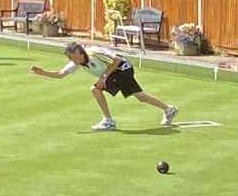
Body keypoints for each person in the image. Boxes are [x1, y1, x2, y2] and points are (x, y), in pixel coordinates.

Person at [31, 41, 178, 131]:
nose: (70, 60)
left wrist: (104, 75)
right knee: (140, 96)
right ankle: (169, 109)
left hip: (122, 68)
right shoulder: (78, 62)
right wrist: (43, 72)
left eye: (71, 56)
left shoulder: (94, 53)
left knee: (95, 89)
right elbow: (61, 74)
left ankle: (108, 121)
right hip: (119, 72)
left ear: (78, 52)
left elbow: (117, 60)